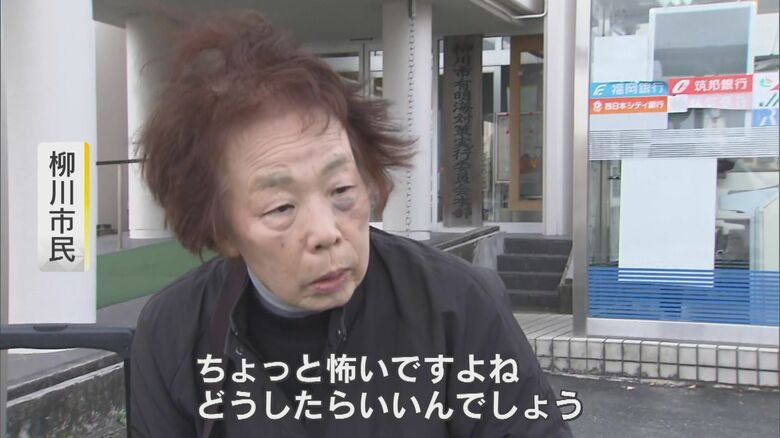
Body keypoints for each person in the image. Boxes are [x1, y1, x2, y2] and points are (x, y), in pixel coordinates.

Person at [129, 10, 572, 438]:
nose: (326, 233)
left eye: (342, 190)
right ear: (223, 231)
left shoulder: (457, 306)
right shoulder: (173, 334)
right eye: (280, 208)